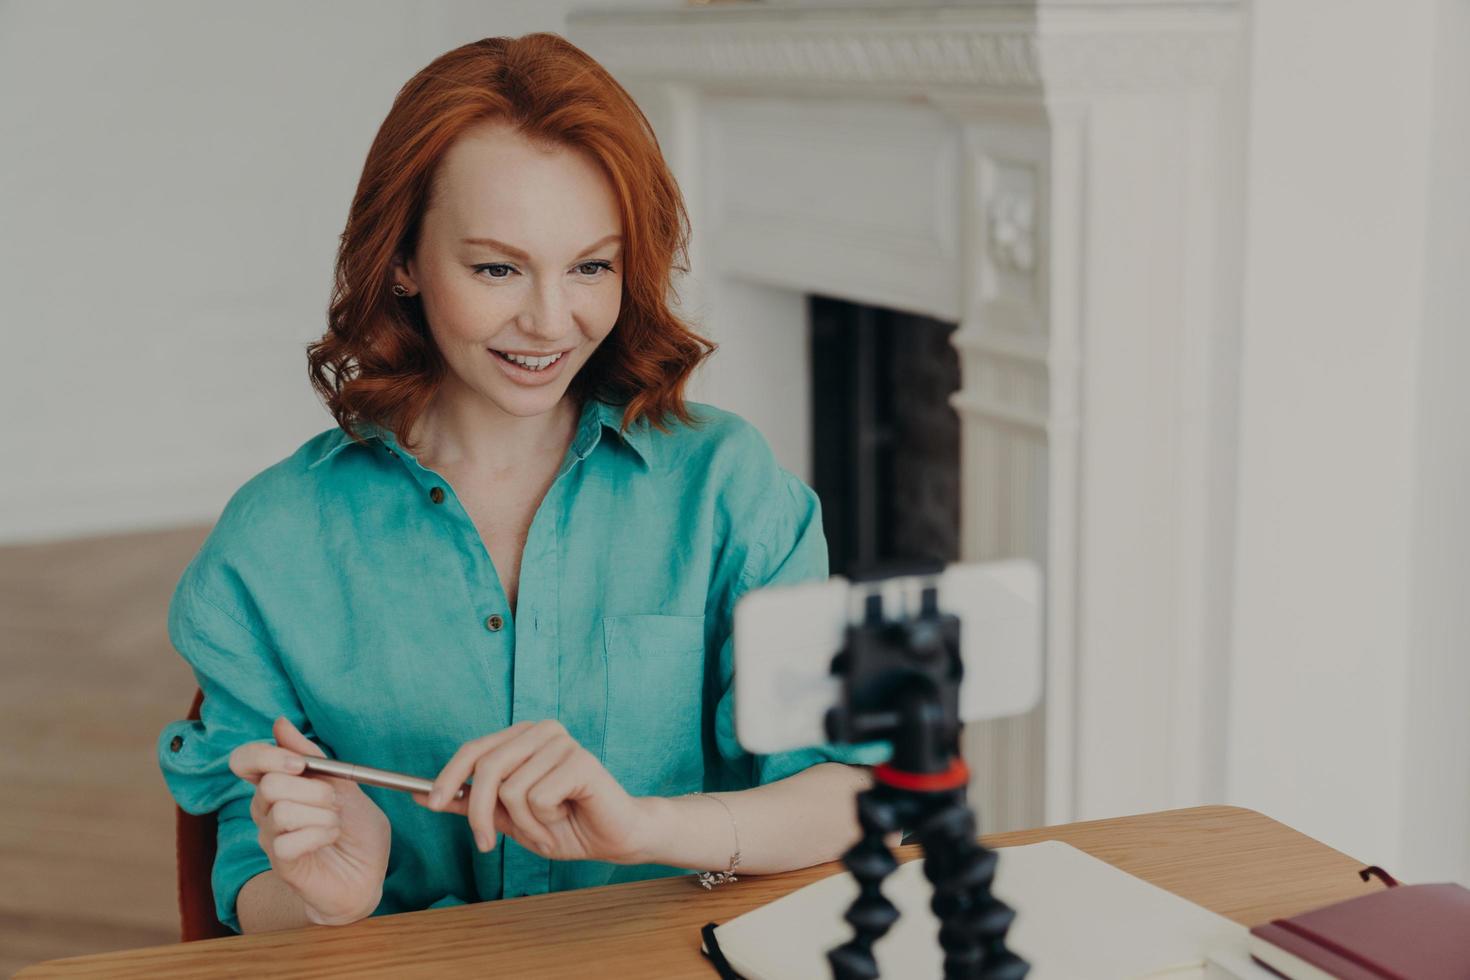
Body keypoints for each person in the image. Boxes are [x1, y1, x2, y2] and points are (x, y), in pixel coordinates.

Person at [156, 33, 891, 936]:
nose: (550, 320)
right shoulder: (273, 545)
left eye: (592, 266)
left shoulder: (728, 489)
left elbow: (854, 791)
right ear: (402, 262)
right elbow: (241, 875)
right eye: (496, 267)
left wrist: (650, 826)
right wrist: (324, 899)